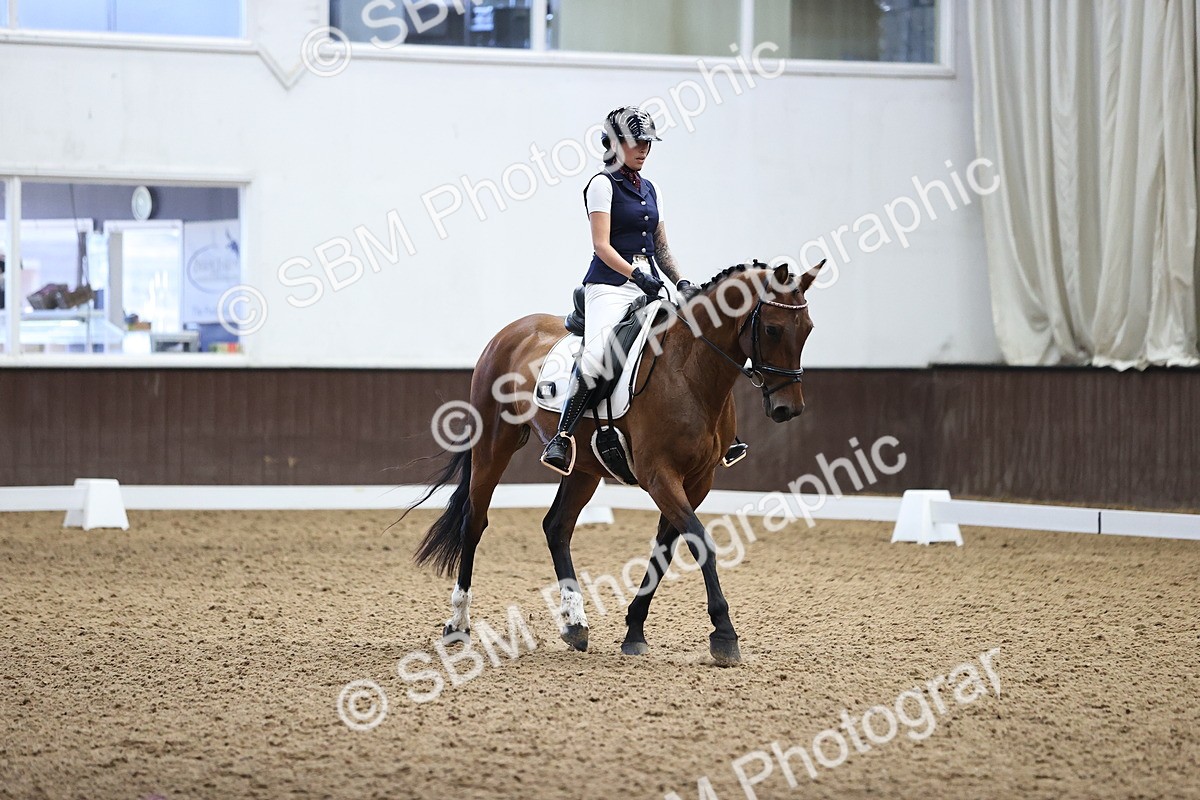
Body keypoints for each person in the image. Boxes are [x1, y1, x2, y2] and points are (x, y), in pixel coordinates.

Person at [540, 106, 749, 475]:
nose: (643, 149)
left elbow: (662, 246)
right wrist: (637, 275)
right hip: (609, 284)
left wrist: (680, 280)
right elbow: (602, 246)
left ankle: (722, 435)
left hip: (650, 281)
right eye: (635, 142)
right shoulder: (602, 185)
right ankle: (563, 436)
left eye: (647, 143)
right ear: (615, 144)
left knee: (693, 336)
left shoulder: (651, 189)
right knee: (598, 353)